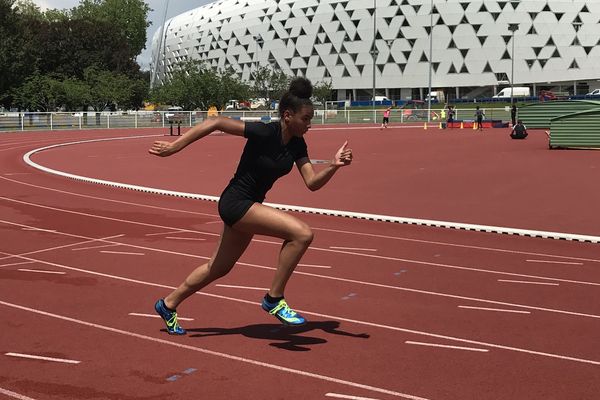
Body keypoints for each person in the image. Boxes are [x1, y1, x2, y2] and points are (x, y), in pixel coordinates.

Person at [148, 78, 353, 335]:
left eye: (311, 119)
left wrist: (334, 166)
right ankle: (274, 299)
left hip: (250, 205)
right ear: (288, 116)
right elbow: (216, 122)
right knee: (301, 234)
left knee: (218, 268)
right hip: (236, 202)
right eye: (306, 119)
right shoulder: (266, 131)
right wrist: (175, 146)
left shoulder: (298, 144)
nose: (309, 125)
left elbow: (312, 182)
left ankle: (168, 304)